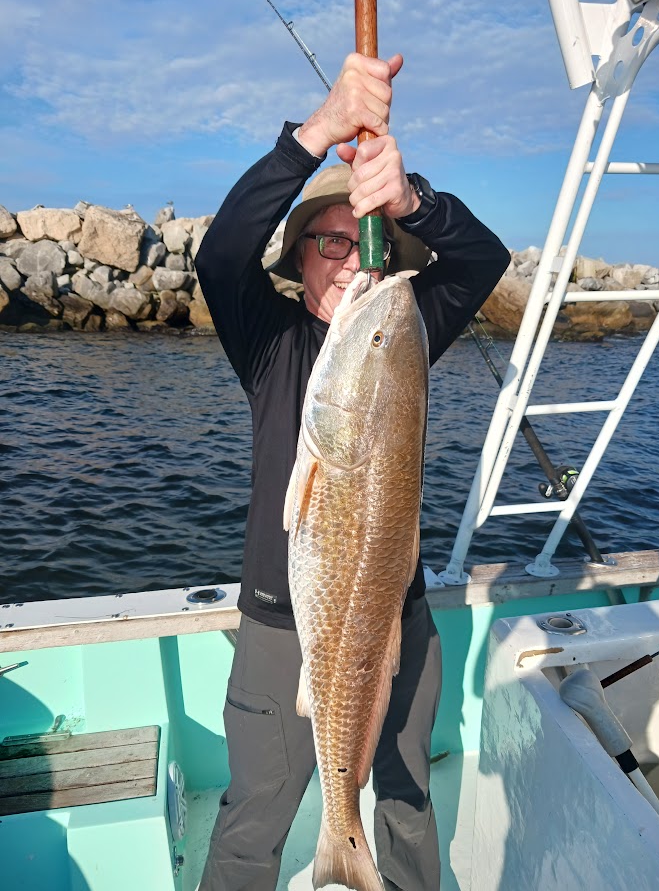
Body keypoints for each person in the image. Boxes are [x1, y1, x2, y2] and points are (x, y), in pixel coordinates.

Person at [195, 52, 509, 891]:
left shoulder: (395, 329)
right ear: (299, 260)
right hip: (279, 622)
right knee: (252, 816)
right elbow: (220, 258)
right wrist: (319, 133)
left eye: (361, 242)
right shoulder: (270, 343)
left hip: (392, 617)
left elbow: (481, 260)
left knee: (406, 804)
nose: (348, 261)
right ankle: (329, 840)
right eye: (326, 245)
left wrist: (411, 202)